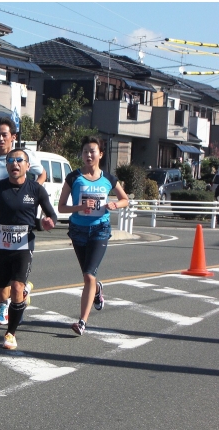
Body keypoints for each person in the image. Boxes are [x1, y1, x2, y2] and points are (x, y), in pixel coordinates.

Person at [0, 148, 57, 350]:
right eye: (11, 160)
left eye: (20, 160)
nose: (15, 163)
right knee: (1, 295)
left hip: (24, 245)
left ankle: (10, 333)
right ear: (7, 165)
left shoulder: (35, 189)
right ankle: (25, 292)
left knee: (17, 289)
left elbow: (51, 214)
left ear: (27, 166)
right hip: (2, 244)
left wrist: (48, 222)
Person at [0, 117, 47, 325]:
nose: (0, 138)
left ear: (13, 137)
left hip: (19, 223)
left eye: (4, 135)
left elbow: (42, 175)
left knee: (15, 270)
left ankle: (8, 304)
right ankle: (13, 293)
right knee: (1, 266)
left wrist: (30, 194)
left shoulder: (24, 157)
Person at [57, 136, 129, 336]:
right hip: (78, 230)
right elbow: (61, 207)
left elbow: (125, 200)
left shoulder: (108, 179)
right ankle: (97, 289)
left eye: (92, 151)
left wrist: (115, 204)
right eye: (85, 151)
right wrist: (80, 207)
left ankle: (82, 322)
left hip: (100, 229)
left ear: (100, 154)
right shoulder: (73, 178)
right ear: (81, 154)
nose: (89, 155)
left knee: (89, 274)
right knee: (88, 276)